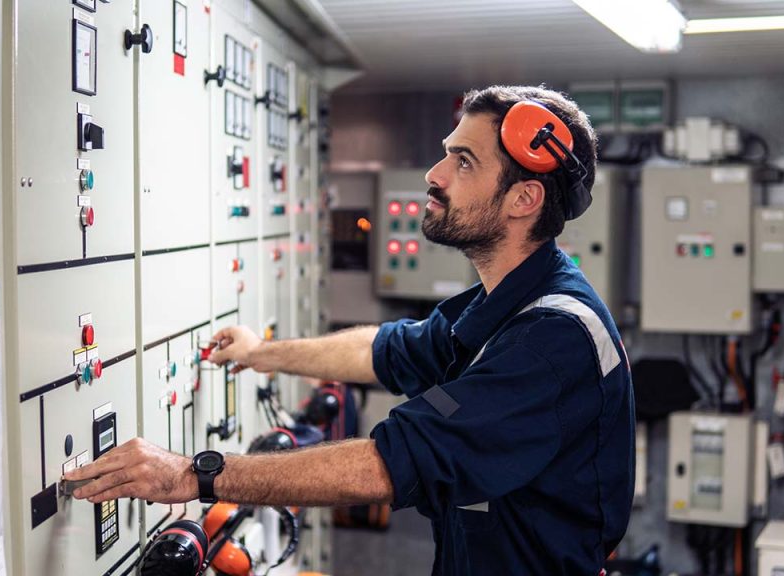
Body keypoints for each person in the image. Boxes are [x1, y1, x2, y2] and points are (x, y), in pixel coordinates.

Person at [67, 85, 635, 575]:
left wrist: (194, 476)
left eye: (464, 162)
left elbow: (386, 466)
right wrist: (266, 353)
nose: (434, 176)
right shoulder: (505, 305)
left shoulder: (552, 339)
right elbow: (386, 350)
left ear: (524, 199)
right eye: (446, 154)